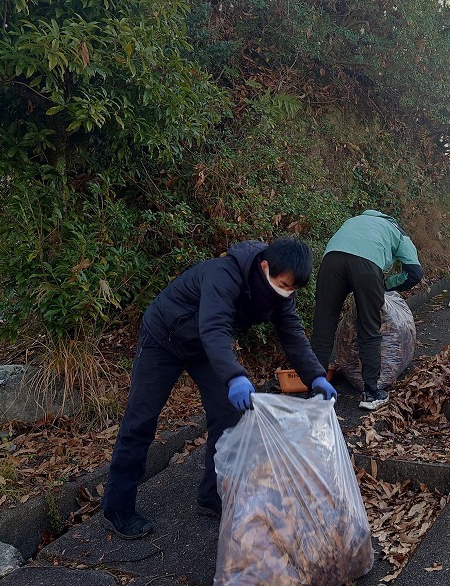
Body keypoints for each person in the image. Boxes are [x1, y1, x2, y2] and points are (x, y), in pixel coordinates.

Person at [100, 237, 336, 540]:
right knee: (141, 419)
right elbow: (214, 326)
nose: (286, 292)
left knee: (228, 415)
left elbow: (292, 333)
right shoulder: (223, 273)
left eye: (292, 288)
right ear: (265, 266)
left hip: (204, 348)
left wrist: (316, 376)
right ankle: (116, 507)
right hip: (164, 337)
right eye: (283, 284)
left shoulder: (280, 294)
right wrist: (235, 376)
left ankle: (213, 494)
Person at [311, 211, 423, 411]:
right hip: (367, 266)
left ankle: (315, 391)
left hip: (331, 261)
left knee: (323, 326)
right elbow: (415, 272)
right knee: (369, 327)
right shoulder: (396, 230)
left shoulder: (353, 220)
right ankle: (371, 393)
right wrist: (386, 285)